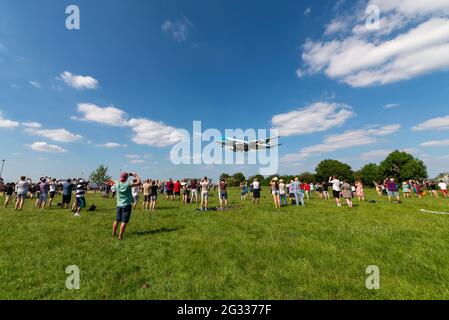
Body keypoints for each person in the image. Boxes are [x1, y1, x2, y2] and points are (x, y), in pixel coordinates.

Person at [112, 172, 142, 240]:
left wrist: (124, 177)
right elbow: (139, 183)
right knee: (124, 221)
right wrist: (135, 175)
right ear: (126, 178)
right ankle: (120, 236)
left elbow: (117, 183)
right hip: (126, 205)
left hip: (119, 205)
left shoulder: (117, 184)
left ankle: (113, 233)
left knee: (117, 220)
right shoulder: (128, 184)